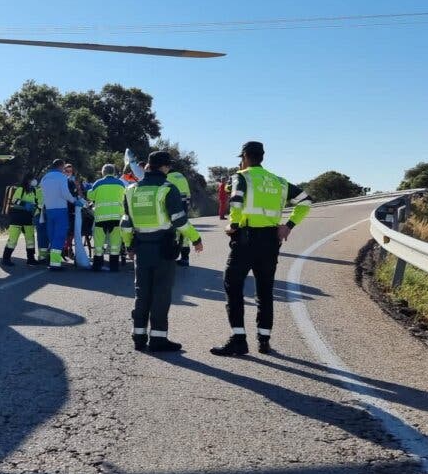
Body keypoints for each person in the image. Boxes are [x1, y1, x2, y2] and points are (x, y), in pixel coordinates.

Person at [210, 141, 313, 357]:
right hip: (270, 241)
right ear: (262, 157)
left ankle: (239, 340)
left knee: (233, 285)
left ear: (245, 156)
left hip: (246, 240)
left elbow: (236, 199)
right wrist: (289, 225)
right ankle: (264, 341)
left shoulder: (242, 176)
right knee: (265, 292)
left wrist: (233, 225)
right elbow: (306, 201)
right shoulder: (279, 181)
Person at [126, 150, 203, 352]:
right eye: (168, 166)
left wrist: (129, 246)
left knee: (142, 293)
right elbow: (179, 221)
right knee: (160, 293)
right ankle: (158, 339)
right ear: (165, 167)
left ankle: (139, 337)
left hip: (141, 248)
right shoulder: (168, 188)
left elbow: (125, 224)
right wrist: (196, 238)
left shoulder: (131, 190)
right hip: (163, 249)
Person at [86, 164, 127, 271]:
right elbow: (125, 197)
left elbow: (90, 196)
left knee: (99, 242)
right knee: (115, 243)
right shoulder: (121, 183)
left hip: (101, 217)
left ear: (103, 172)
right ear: (113, 172)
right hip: (117, 217)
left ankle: (97, 266)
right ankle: (114, 266)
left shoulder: (98, 183)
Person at [39, 159, 78, 271]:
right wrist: (74, 200)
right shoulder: (62, 177)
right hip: (61, 209)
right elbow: (65, 193)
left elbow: (42, 193)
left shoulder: (45, 177)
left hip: (48, 210)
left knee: (51, 235)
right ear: (61, 166)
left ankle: (52, 259)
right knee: (59, 235)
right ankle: (55, 264)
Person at [2, 174, 41, 267]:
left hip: (28, 218)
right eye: (32, 179)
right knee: (13, 239)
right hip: (17, 217)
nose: (34, 181)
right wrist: (26, 204)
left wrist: (36, 211)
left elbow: (39, 204)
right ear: (27, 180)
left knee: (30, 240)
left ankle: (31, 259)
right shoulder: (21, 189)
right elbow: (14, 200)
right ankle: (6, 259)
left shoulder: (35, 191)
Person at [166, 168, 193, 267]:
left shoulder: (167, 177)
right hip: (184, 207)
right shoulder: (182, 177)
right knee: (184, 232)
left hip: (174, 209)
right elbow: (188, 195)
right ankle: (185, 258)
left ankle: (171, 258)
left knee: (173, 233)